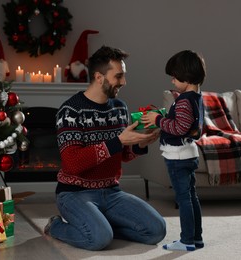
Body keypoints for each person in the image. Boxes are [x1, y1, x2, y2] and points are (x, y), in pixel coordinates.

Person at [44, 45, 166, 251]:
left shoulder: (119, 107)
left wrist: (140, 144)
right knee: (99, 239)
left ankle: (102, 226)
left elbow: (122, 154)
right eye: (118, 76)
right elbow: (72, 164)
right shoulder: (71, 110)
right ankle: (56, 226)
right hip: (74, 194)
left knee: (156, 230)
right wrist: (118, 141)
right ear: (99, 77)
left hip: (111, 192)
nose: (124, 82)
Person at [141, 50, 206, 251]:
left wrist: (157, 120)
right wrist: (166, 115)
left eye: (175, 78)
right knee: (191, 196)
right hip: (188, 153)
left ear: (186, 77)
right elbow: (186, 124)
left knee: (184, 198)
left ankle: (186, 240)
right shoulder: (195, 97)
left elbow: (179, 128)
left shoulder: (185, 101)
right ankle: (196, 238)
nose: (172, 81)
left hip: (178, 156)